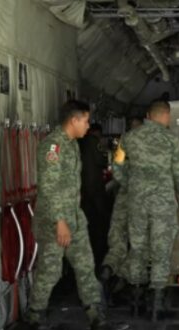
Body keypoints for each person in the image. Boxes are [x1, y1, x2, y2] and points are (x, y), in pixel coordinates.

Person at [26, 100, 127, 330]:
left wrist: (73, 216)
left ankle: (96, 317)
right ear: (74, 120)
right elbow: (49, 188)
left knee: (85, 266)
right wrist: (60, 222)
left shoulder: (72, 144)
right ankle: (34, 316)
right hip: (54, 221)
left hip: (75, 218)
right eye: (86, 120)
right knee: (50, 271)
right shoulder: (53, 147)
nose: (88, 126)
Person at [112, 100, 179, 321]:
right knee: (160, 251)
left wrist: (131, 185)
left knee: (137, 248)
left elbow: (116, 166)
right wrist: (177, 195)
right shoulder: (171, 140)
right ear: (166, 115)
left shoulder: (129, 137)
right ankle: (156, 305)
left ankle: (136, 303)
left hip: (136, 202)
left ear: (148, 114)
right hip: (163, 203)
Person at [100, 117, 144, 297]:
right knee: (137, 243)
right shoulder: (152, 145)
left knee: (117, 239)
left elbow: (115, 169)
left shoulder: (123, 143)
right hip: (142, 199)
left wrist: (126, 184)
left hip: (124, 197)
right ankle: (125, 279)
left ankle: (108, 268)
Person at [79, 124, 112, 268]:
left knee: (87, 224)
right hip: (95, 189)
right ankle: (99, 256)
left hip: (83, 190)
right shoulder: (93, 141)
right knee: (100, 223)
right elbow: (102, 161)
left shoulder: (77, 141)